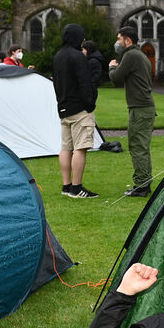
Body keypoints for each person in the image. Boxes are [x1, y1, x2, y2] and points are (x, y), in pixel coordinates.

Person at [108, 26, 156, 197]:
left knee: (137, 146)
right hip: (144, 107)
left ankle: (141, 185)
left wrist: (112, 67)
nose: (118, 42)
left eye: (119, 38)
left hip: (140, 109)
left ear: (128, 40)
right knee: (141, 146)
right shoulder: (140, 55)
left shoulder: (130, 55)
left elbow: (116, 78)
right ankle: (144, 182)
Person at [52, 23, 99, 198]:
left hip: (63, 107)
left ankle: (67, 185)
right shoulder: (78, 56)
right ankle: (77, 187)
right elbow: (85, 83)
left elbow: (56, 82)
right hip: (79, 108)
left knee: (66, 147)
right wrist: (90, 104)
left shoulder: (58, 56)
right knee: (80, 148)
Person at [82, 39, 105, 107]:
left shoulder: (93, 61)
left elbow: (95, 77)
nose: (82, 52)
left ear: (88, 50)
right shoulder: (91, 60)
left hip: (90, 91)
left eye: (83, 49)